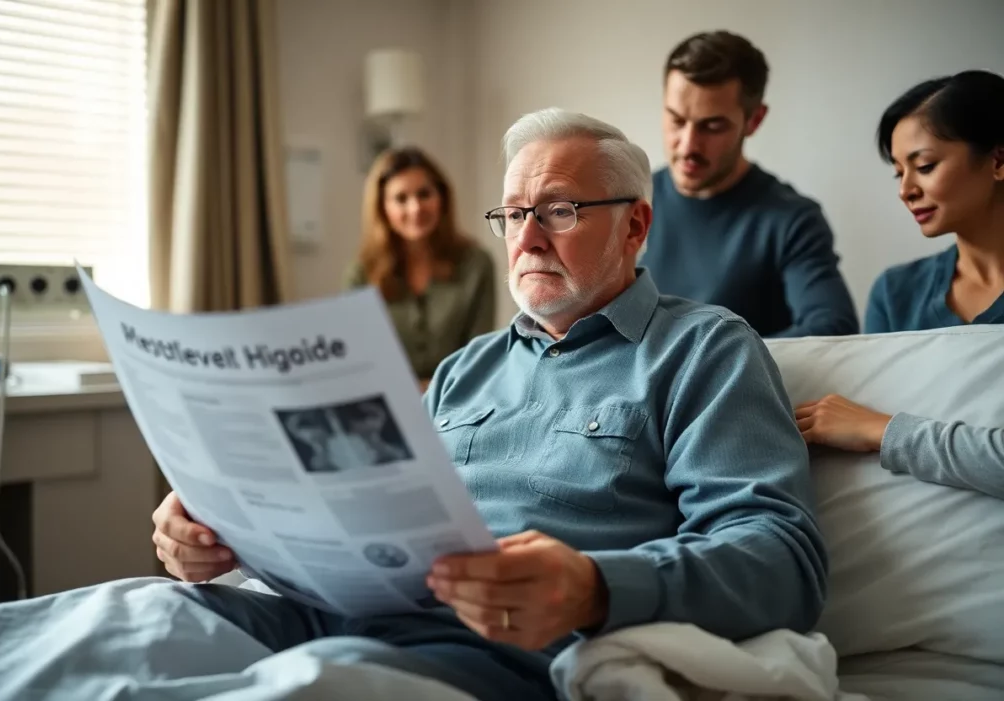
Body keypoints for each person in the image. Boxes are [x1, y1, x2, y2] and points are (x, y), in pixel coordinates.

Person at [146, 109, 827, 701]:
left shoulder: (704, 348)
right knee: (122, 621)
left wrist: (596, 585)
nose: (526, 238)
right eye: (512, 214)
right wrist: (227, 528)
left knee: (319, 684)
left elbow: (782, 558)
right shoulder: (463, 369)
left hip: (488, 654)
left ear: (634, 224)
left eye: (559, 210)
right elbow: (359, 507)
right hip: (317, 614)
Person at [795, 70, 1004, 500]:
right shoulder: (895, 293)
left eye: (925, 166)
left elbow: (871, 427)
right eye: (898, 172)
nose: (906, 190)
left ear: (998, 160)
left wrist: (881, 429)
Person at [640, 30, 858, 338]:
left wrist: (713, 360)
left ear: (754, 120)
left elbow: (833, 329)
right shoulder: (626, 201)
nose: (688, 145)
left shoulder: (791, 220)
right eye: (676, 120)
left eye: (712, 126)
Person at [346, 147, 497, 389]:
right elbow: (359, 363)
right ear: (382, 208)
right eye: (401, 198)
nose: (415, 208)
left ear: (442, 198)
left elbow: (478, 359)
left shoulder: (476, 265)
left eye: (424, 194)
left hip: (458, 403)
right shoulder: (361, 274)